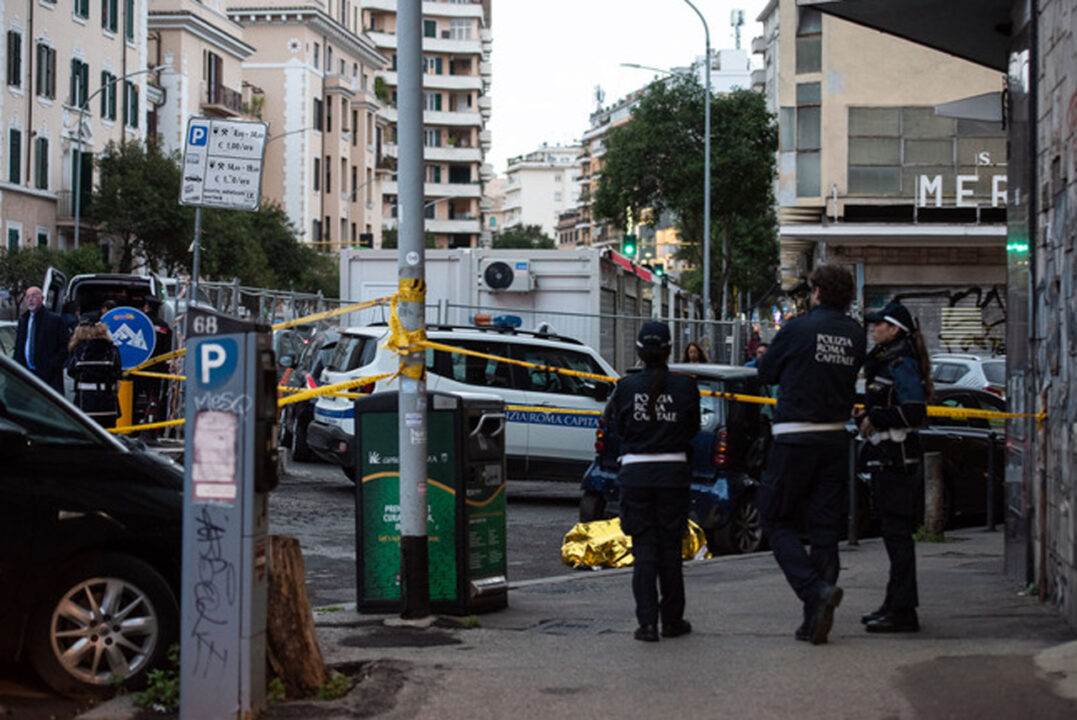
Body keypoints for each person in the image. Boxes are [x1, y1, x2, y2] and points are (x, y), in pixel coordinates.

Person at [755, 265, 866, 645]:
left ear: (816, 291)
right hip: (835, 439)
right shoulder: (855, 334)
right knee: (824, 531)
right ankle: (814, 618)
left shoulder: (799, 327)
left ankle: (812, 590)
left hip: (794, 437)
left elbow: (765, 373)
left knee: (774, 518)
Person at [606, 321, 701, 642]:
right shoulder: (686, 387)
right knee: (670, 549)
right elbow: (693, 430)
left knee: (644, 550)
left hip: (636, 474)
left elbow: (617, 429)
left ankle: (647, 624)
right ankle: (673, 620)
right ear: (670, 349)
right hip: (673, 473)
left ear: (639, 351)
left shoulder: (626, 387)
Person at [856, 300, 931, 634]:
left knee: (898, 537)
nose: (873, 329)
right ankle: (895, 603)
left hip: (897, 458)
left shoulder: (901, 361)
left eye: (879, 324)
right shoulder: (886, 360)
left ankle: (903, 612)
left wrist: (875, 416)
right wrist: (864, 414)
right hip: (886, 455)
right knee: (893, 535)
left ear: (895, 329)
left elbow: (914, 410)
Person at [66, 314, 123, 427]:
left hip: (85, 401)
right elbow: (117, 372)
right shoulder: (111, 349)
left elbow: (71, 370)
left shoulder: (78, 350)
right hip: (107, 401)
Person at [14, 286, 68, 394]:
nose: (30, 300)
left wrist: (52, 365)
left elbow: (64, 347)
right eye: (28, 297)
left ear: (42, 299)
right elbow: (19, 346)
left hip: (48, 378)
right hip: (26, 375)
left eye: (34, 296)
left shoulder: (54, 320)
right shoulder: (23, 320)